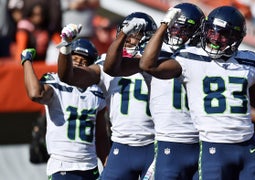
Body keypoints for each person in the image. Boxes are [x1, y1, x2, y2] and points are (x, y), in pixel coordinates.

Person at [139, 5, 255, 179]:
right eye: (211, 32)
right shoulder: (189, 58)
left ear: (235, 38)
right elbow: (148, 65)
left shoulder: (250, 62)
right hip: (213, 149)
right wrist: (164, 24)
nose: (215, 38)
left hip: (248, 149)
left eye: (222, 34)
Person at [103, 3, 203, 180]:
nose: (176, 33)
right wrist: (124, 33)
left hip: (201, 138)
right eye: (173, 28)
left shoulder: (204, 58)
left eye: (183, 29)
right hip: (167, 139)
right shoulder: (154, 54)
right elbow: (112, 68)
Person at [57, 12, 157, 179]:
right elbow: (69, 77)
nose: (129, 40)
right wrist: (66, 47)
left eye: (136, 35)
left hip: (155, 144)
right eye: (127, 33)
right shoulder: (105, 64)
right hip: (122, 145)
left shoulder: (159, 63)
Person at [21, 38, 109, 179]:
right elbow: (36, 94)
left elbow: (100, 136)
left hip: (90, 166)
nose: (79, 62)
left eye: (84, 61)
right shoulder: (55, 83)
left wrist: (107, 163)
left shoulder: (97, 92)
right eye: (74, 58)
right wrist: (26, 61)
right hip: (62, 165)